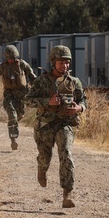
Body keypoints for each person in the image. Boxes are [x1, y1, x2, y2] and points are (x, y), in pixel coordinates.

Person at [26, 45, 86, 208]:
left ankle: (67, 193)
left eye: (66, 62)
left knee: (66, 154)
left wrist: (79, 108)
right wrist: (47, 102)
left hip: (65, 123)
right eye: (60, 62)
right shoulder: (41, 81)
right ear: (53, 62)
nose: (64, 66)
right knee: (45, 157)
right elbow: (28, 100)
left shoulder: (74, 82)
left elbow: (83, 100)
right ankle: (42, 170)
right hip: (45, 125)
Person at [0, 44, 37, 150]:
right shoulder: (3, 66)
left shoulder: (22, 64)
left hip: (22, 95)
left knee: (19, 115)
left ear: (16, 57)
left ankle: (15, 123)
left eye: (12, 59)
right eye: (8, 59)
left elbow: (32, 76)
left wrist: (37, 89)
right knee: (12, 115)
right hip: (9, 94)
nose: (10, 61)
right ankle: (13, 139)